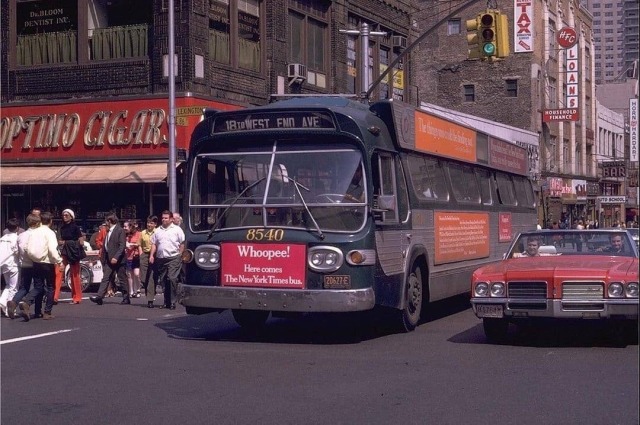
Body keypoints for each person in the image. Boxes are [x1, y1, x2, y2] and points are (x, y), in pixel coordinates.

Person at [17, 212, 62, 321]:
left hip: (35, 262)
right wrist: (59, 261)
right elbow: (52, 249)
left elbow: (27, 247)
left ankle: (34, 308)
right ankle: (47, 312)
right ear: (50, 221)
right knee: (50, 287)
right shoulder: (50, 233)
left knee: (39, 286)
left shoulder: (34, 232)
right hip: (47, 262)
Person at [8, 214, 43, 319]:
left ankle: (14, 302)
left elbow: (15, 249)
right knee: (39, 287)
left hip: (24, 264)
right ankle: (27, 303)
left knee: (24, 287)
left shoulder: (21, 235)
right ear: (37, 223)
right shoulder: (37, 235)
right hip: (35, 263)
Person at [90, 213, 129, 306]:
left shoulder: (120, 230)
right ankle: (99, 297)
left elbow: (122, 246)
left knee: (122, 279)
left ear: (110, 221)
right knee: (105, 278)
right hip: (108, 259)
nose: (105, 223)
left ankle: (126, 297)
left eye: (106, 221)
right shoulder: (108, 231)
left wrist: (116, 257)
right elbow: (105, 245)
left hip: (118, 260)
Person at [150, 210, 185, 310]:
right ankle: (166, 302)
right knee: (164, 280)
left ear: (171, 219)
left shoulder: (177, 230)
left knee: (172, 278)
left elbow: (182, 243)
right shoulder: (158, 230)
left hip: (173, 258)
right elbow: (154, 244)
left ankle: (173, 301)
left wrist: (180, 255)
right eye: (163, 218)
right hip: (161, 258)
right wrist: (152, 255)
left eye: (166, 218)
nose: (164, 220)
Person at [58, 209, 84, 304]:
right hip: (65, 251)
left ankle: (77, 297)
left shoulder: (75, 227)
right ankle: (54, 296)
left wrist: (66, 242)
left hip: (73, 252)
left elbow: (81, 242)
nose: (64, 217)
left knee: (75, 275)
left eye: (67, 215)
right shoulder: (62, 228)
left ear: (71, 217)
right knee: (59, 271)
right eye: (63, 215)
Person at [0, 219, 20, 318]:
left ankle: (2, 302)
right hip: (13, 265)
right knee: (14, 287)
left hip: (3, 265)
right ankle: (10, 309)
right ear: (17, 228)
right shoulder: (16, 238)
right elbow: (17, 251)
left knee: (8, 285)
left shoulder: (3, 238)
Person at [139, 215, 158, 308]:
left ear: (155, 224)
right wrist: (141, 254)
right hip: (145, 254)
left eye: (151, 223)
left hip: (155, 255)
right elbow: (140, 244)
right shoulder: (143, 233)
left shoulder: (158, 232)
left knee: (151, 277)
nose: (149, 225)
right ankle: (150, 291)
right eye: (148, 223)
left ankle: (150, 299)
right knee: (143, 278)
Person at [123, 219, 142, 298]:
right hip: (128, 256)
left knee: (136, 274)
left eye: (126, 226)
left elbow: (139, 243)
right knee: (129, 275)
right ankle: (131, 291)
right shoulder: (125, 235)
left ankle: (137, 289)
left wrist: (132, 244)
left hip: (136, 256)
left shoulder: (139, 234)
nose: (124, 228)